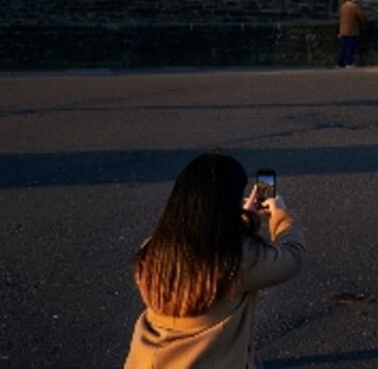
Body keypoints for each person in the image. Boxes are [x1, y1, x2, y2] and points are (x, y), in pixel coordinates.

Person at [125, 152, 304, 367]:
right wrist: (280, 215)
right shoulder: (236, 258)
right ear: (227, 204)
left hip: (149, 359)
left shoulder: (154, 246)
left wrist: (243, 219)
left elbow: (203, 238)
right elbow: (291, 257)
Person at [337, 0, 364, 68]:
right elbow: (361, 16)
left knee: (344, 47)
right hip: (352, 30)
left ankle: (340, 63)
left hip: (343, 30)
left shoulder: (343, 6)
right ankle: (349, 63)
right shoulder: (354, 7)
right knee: (350, 47)